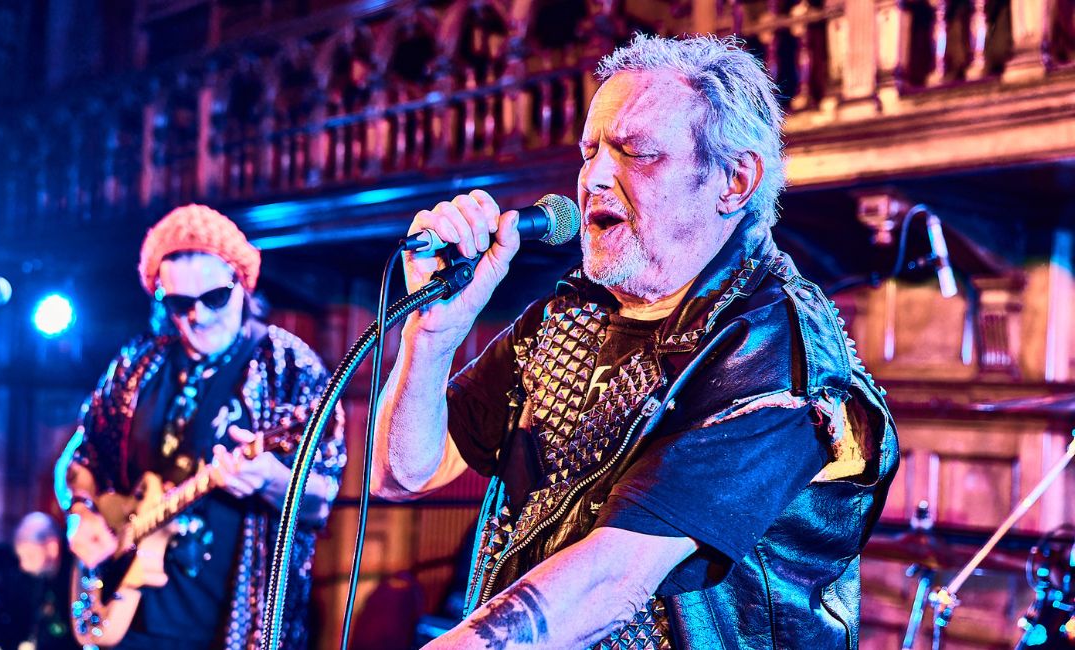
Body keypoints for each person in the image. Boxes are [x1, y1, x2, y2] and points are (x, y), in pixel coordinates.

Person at [371, 33, 898, 648]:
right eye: (590, 152)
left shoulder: (778, 355)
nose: (594, 178)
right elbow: (402, 473)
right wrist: (432, 335)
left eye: (637, 154)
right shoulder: (568, 314)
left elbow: (614, 580)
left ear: (735, 181)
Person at [54, 204, 345, 650]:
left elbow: (321, 497)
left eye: (215, 298)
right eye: (179, 303)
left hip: (231, 628)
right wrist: (80, 512)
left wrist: (270, 479)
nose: (199, 316)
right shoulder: (139, 363)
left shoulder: (287, 364)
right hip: (129, 615)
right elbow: (81, 454)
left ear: (243, 286)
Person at [13, 512, 80, 650]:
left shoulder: (75, 576)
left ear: (52, 546)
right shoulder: (42, 581)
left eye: (30, 556)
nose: (24, 566)